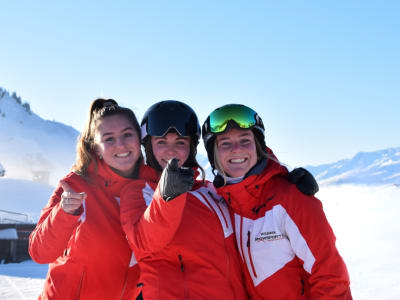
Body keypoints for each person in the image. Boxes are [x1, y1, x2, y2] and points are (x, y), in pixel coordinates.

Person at [119, 100, 319, 300]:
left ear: (192, 148)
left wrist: (279, 179)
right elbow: (144, 241)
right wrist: (167, 196)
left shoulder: (211, 192)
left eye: (180, 143)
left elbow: (250, 199)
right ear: (148, 146)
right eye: (161, 142)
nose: (171, 151)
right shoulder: (139, 192)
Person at [202, 104, 352, 299]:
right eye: (225, 143)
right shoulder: (219, 204)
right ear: (214, 154)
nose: (236, 149)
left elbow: (329, 275)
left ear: (258, 145)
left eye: (245, 140)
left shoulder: (290, 198)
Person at [29, 99, 144, 300]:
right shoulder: (75, 186)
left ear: (139, 139)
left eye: (127, 134)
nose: (120, 144)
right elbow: (39, 252)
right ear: (96, 147)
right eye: (108, 139)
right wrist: (65, 213)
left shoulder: (151, 190)